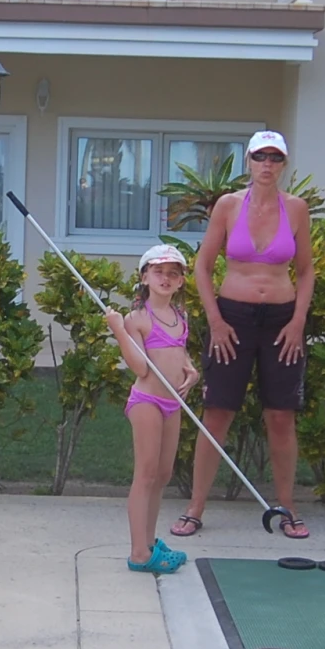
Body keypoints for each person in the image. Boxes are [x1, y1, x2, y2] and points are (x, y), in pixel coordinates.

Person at [171, 129, 316, 540]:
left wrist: (298, 322)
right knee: (217, 412)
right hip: (232, 317)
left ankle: (287, 507)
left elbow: (305, 271)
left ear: (283, 164)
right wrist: (216, 321)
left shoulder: (297, 208)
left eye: (275, 158)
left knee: (281, 415)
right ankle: (195, 507)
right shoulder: (228, 206)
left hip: (281, 320)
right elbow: (202, 267)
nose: (267, 165)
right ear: (248, 162)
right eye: (260, 157)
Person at [104, 244, 202, 575]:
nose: (166, 278)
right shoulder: (136, 319)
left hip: (173, 403)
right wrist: (119, 330)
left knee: (162, 475)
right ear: (145, 277)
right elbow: (142, 368)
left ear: (180, 283)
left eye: (173, 273)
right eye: (158, 271)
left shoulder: (179, 317)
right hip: (147, 401)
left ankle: (148, 541)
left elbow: (177, 352)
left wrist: (191, 369)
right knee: (145, 475)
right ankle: (139, 553)